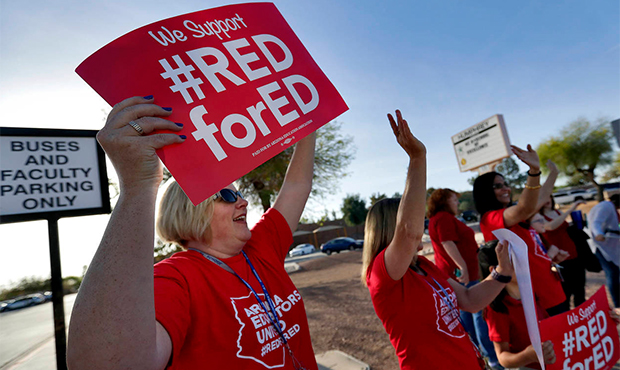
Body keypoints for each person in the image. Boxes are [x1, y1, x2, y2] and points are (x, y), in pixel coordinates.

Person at [67, 96, 318, 369]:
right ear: (189, 209)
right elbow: (108, 363)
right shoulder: (175, 278)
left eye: (240, 194)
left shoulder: (262, 247)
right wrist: (138, 186)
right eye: (226, 195)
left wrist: (308, 122)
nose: (243, 202)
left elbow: (296, 186)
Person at [362, 110, 515, 370]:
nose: (420, 227)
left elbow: (468, 300)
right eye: (413, 219)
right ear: (391, 228)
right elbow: (408, 232)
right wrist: (418, 158)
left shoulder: (422, 266)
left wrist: (501, 273)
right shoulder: (381, 274)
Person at [473, 151, 569, 317]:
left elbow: (539, 200)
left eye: (505, 184)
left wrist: (553, 173)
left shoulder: (512, 215)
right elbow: (525, 208)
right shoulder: (491, 218)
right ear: (485, 191)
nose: (506, 189)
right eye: (497, 186)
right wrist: (534, 172)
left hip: (551, 288)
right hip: (535, 298)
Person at [427, 189, 501, 369]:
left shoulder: (438, 219)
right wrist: (463, 267)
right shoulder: (444, 218)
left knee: (466, 316)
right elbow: (447, 243)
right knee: (478, 312)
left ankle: (478, 356)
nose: (457, 203)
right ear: (444, 201)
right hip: (462, 275)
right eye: (454, 199)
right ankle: (492, 358)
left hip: (456, 274)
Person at [478, 241, 557, 370]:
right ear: (495, 270)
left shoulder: (530, 293)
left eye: (521, 257)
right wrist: (527, 356)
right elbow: (502, 358)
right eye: (513, 260)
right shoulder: (497, 309)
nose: (523, 262)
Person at [538, 196, 587, 307]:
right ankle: (568, 320)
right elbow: (550, 226)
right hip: (559, 258)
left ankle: (582, 318)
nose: (547, 200)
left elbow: (563, 225)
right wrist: (571, 208)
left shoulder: (557, 212)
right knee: (566, 292)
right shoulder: (538, 216)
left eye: (549, 196)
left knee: (580, 289)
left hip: (573, 253)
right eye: (544, 198)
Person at [587, 193, 620, 308]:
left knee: (615, 273)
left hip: (609, 246)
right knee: (612, 273)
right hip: (601, 247)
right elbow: (596, 222)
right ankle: (617, 305)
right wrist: (599, 234)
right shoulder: (606, 206)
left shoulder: (610, 207)